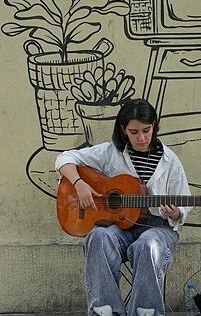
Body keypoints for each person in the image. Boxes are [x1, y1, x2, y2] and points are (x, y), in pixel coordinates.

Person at [55, 98, 191, 316]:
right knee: (98, 236)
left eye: (146, 130)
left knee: (149, 244)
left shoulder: (169, 160)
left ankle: (144, 312)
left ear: (155, 127)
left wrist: (176, 212)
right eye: (134, 132)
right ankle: (105, 311)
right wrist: (79, 184)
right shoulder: (111, 152)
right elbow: (64, 158)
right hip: (119, 227)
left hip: (157, 227)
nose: (141, 137)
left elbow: (183, 202)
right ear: (123, 130)